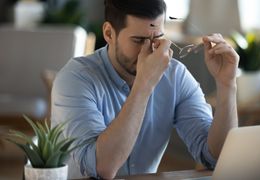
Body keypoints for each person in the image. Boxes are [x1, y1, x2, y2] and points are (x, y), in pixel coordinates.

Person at [51, 0, 239, 179]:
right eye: (138, 40)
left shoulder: (175, 76)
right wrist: (144, 83)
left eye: (157, 38)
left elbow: (215, 157)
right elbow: (102, 168)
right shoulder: (75, 78)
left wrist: (227, 85)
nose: (148, 51)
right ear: (109, 34)